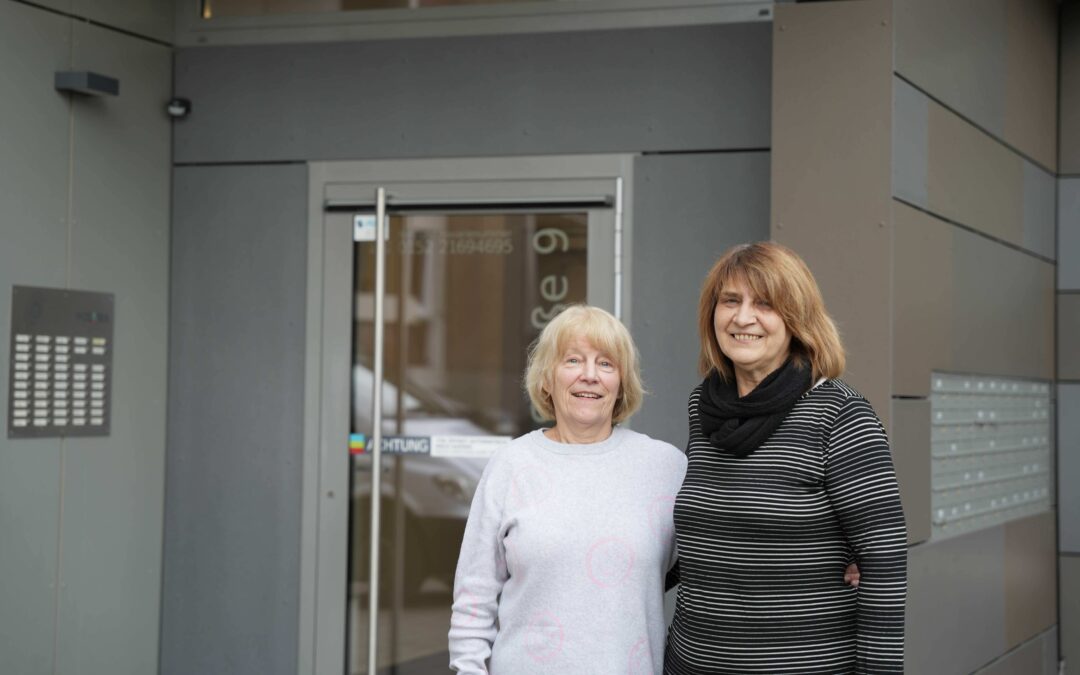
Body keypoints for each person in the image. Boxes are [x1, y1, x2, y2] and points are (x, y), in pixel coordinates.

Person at [665, 242, 907, 674]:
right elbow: (709, 544)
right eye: (730, 301)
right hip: (691, 663)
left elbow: (884, 562)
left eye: (765, 304)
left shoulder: (839, 414)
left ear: (797, 318)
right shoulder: (704, 408)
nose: (743, 318)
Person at [449, 305, 686, 674]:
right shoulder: (511, 465)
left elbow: (702, 576)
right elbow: (473, 599)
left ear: (622, 383)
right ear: (547, 378)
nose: (589, 376)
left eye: (606, 364)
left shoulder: (666, 468)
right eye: (573, 360)